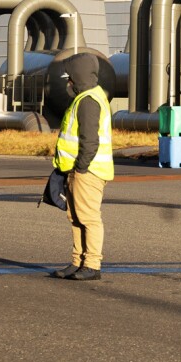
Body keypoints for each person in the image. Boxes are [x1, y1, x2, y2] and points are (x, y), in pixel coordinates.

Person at [49, 53, 114, 281]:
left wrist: (82, 167)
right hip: (76, 170)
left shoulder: (88, 101)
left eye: (70, 78)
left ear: (78, 77)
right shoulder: (84, 97)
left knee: (89, 218)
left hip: (88, 171)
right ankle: (78, 261)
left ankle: (92, 264)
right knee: (75, 217)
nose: (68, 83)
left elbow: (90, 140)